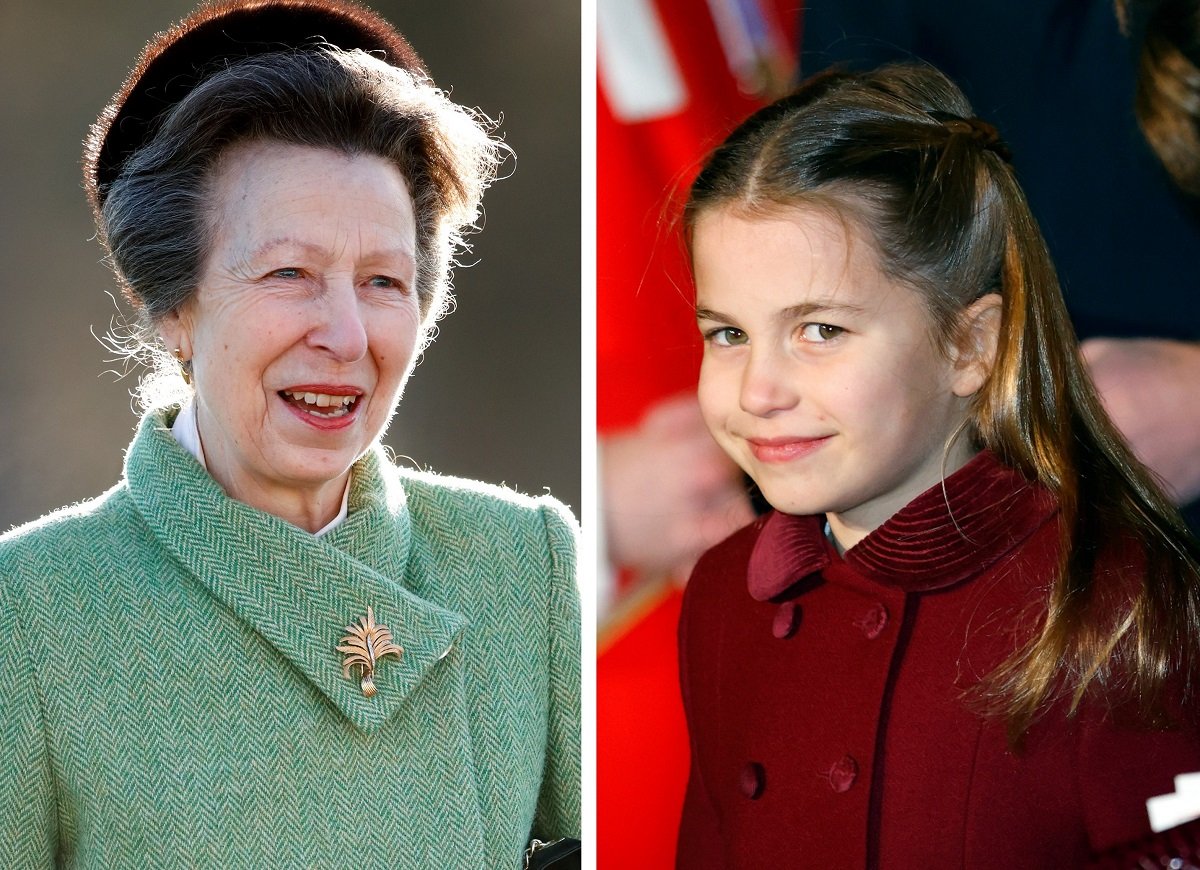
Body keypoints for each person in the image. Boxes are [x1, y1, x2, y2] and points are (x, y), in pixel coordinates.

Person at [0, 1, 579, 866]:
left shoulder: (524, 567)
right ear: (174, 309)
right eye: (290, 273)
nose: (346, 335)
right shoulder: (30, 611)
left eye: (384, 280)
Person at [675, 63, 1200, 867]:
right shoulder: (723, 593)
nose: (758, 390)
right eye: (729, 334)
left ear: (970, 345)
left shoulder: (1114, 598)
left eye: (820, 331)